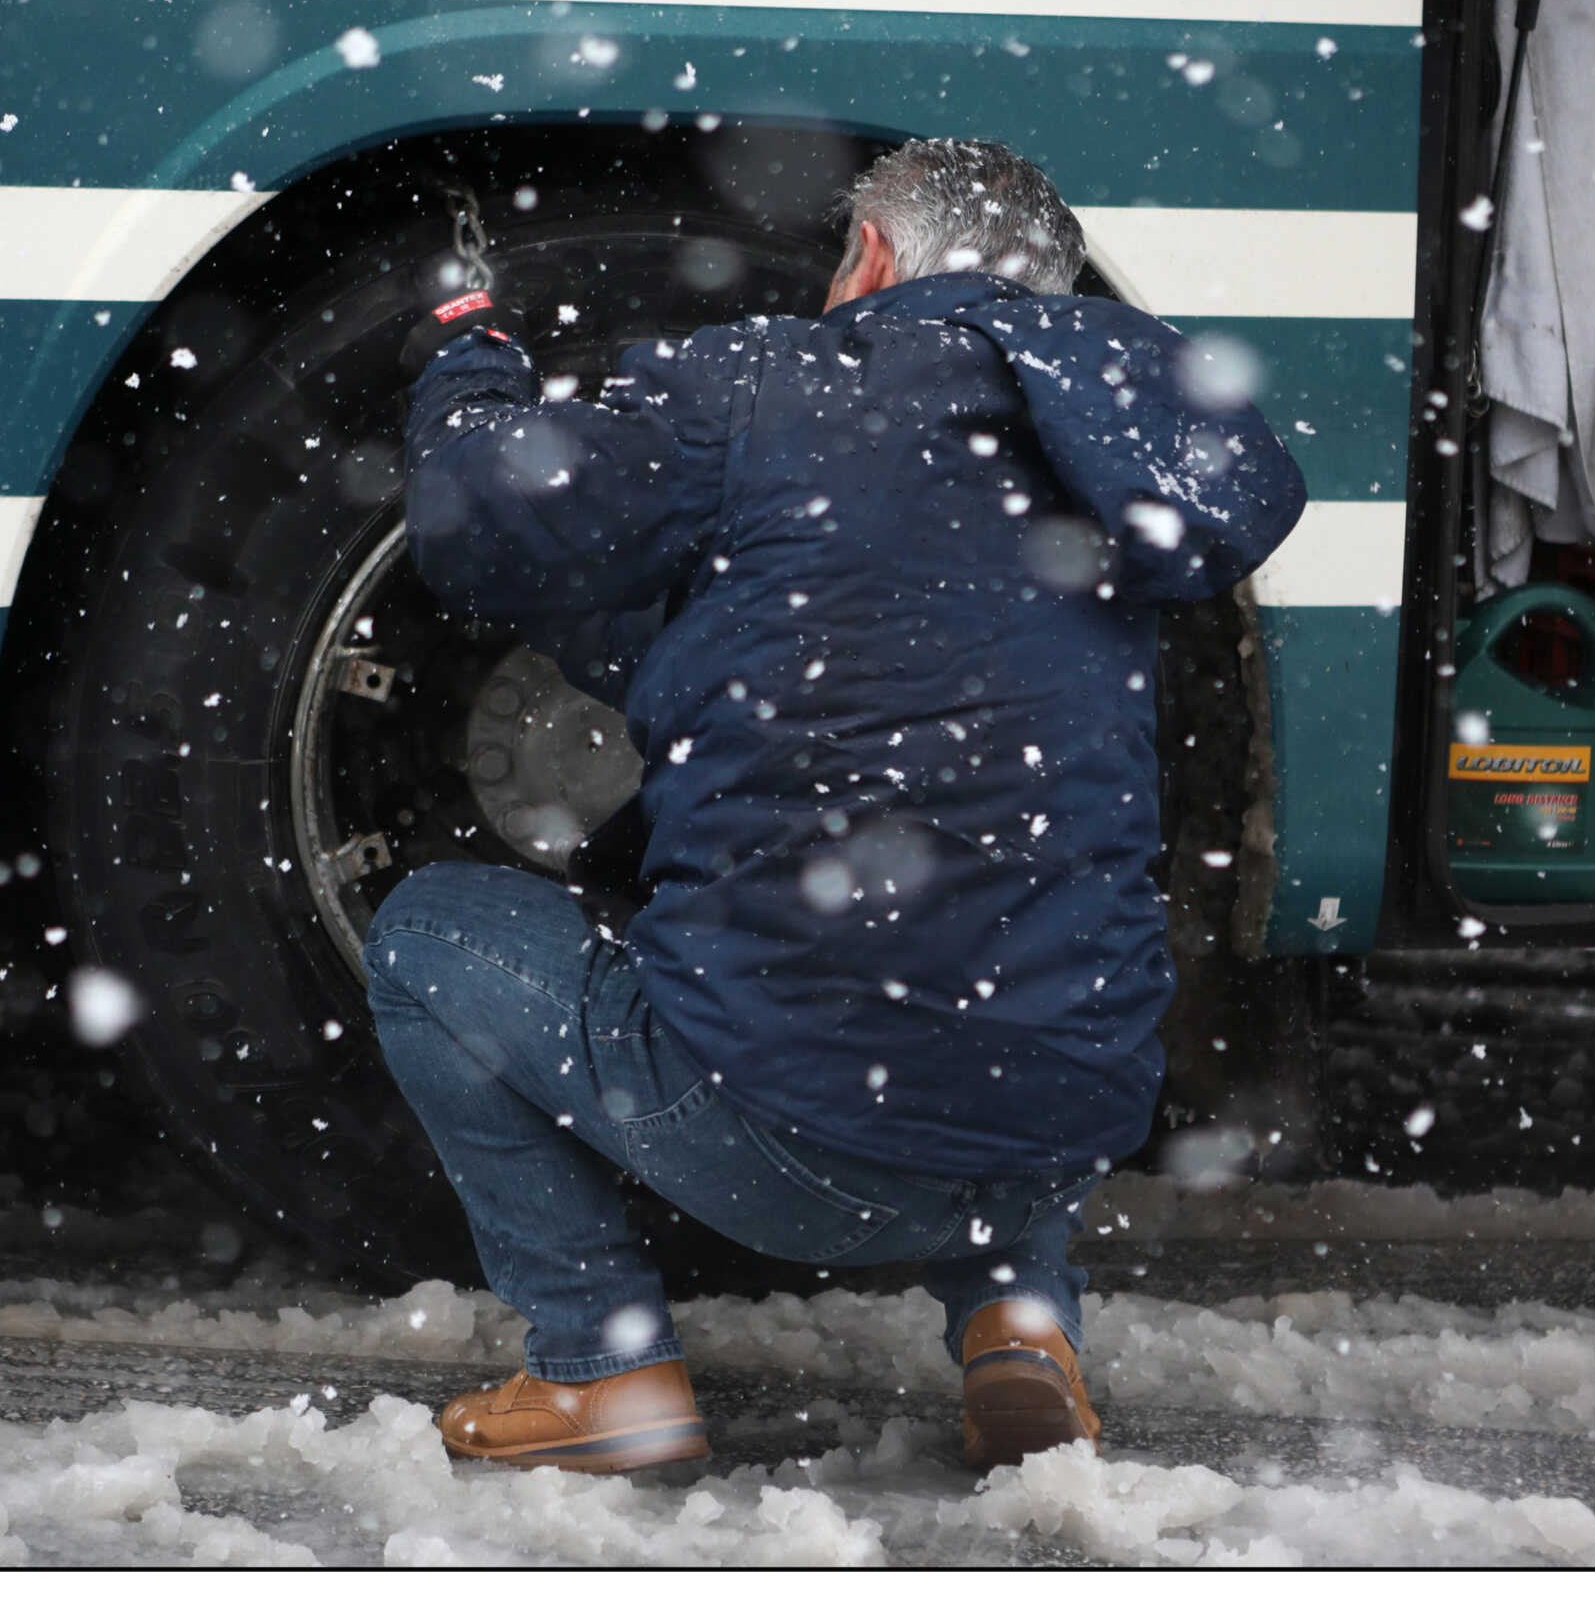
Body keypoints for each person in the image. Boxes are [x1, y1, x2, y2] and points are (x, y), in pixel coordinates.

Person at [367, 138, 1307, 1474]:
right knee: (1019, 908)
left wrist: (466, 348)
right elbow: (859, 629)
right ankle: (1020, 1328)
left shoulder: (767, 386)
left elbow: (488, 517)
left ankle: (599, 1368)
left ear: (871, 254)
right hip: (1060, 1120)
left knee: (428, 934)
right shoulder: (1135, 430)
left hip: (796, 1139)